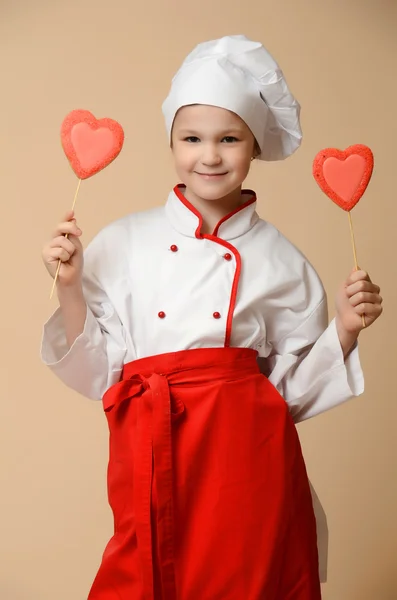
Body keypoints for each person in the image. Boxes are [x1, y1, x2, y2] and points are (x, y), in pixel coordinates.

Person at [41, 35, 383, 600]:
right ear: (172, 142)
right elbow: (100, 374)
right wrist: (71, 285)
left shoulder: (283, 261)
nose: (210, 155)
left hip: (246, 460)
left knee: (246, 580)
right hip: (150, 439)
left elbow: (286, 396)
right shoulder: (122, 242)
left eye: (229, 139)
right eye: (192, 138)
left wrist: (343, 329)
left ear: (254, 147)